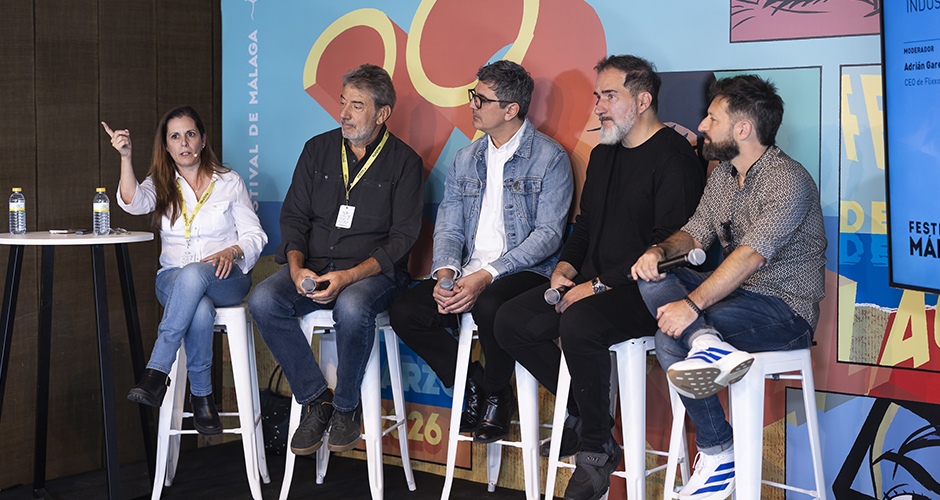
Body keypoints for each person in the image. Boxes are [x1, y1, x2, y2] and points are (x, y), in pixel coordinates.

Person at [495, 55, 705, 500]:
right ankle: (588, 412)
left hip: (648, 291)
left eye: (610, 96)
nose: (598, 107)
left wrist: (596, 286)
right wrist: (565, 269)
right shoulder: (604, 153)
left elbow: (668, 248)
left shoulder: (675, 157)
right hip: (592, 283)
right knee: (510, 321)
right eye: (597, 96)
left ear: (643, 101)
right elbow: (586, 226)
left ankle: (595, 449)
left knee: (579, 322)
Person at [632, 75, 826, 500]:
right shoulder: (723, 176)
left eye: (712, 118)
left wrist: (690, 306)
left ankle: (719, 451)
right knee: (653, 277)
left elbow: (750, 256)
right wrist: (657, 252)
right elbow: (694, 233)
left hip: (784, 311)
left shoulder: (787, 179)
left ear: (743, 128)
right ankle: (706, 342)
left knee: (671, 338)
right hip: (737, 298)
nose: (701, 125)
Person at [389, 60, 573, 443]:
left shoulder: (550, 158)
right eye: (474, 95)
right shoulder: (465, 159)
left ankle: (496, 396)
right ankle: (472, 381)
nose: (471, 104)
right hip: (469, 269)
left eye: (481, 99)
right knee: (406, 312)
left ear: (511, 109)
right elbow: (449, 226)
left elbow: (548, 236)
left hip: (525, 271)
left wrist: (486, 275)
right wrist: (445, 275)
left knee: (490, 305)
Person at [248, 64, 423, 455]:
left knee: (353, 305)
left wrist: (349, 276)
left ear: (382, 114)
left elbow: (402, 240)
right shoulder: (317, 150)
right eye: (343, 102)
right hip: (314, 264)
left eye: (356, 106)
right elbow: (294, 218)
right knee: (263, 299)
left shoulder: (405, 163)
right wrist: (296, 269)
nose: (343, 113)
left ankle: (346, 407)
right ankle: (316, 399)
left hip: (374, 274)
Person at [102, 105, 268, 435]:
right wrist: (125, 157)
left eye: (190, 134)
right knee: (199, 306)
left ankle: (156, 372)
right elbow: (132, 202)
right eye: (175, 137)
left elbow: (255, 235)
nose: (184, 143)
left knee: (195, 275)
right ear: (166, 146)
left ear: (203, 140)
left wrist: (234, 250)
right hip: (172, 279)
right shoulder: (161, 183)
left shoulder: (229, 182)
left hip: (225, 277)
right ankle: (202, 397)